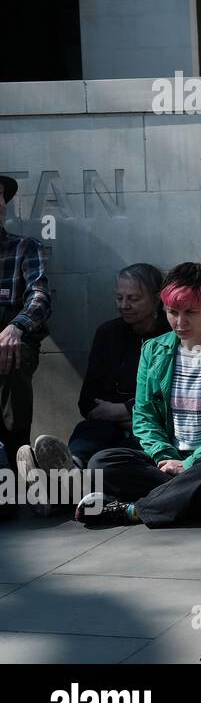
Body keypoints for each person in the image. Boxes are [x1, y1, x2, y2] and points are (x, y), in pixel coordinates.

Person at [74, 263, 201, 527]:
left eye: (190, 312)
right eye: (172, 312)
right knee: (102, 463)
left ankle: (132, 510)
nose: (180, 322)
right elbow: (144, 415)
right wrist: (164, 455)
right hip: (171, 454)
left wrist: (192, 462)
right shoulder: (153, 350)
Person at [19, 264, 170, 517]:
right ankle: (70, 468)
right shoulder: (108, 333)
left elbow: (168, 398)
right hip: (108, 424)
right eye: (119, 297)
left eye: (133, 298)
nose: (124, 305)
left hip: (151, 427)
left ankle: (56, 490)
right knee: (90, 429)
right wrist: (122, 417)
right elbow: (88, 402)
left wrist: (123, 409)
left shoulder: (171, 334)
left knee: (113, 459)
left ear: (157, 298)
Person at [0, 173, 51, 520]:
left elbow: (40, 296)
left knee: (11, 357)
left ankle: (19, 461)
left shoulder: (24, 248)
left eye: (0, 196)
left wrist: (16, 326)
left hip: (12, 342)